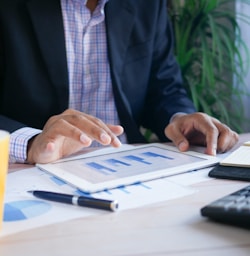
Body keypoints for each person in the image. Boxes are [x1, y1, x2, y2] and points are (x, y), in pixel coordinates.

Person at [0, 0, 238, 164]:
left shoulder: (147, 4)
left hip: (128, 165)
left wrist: (180, 118)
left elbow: (163, 87)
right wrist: (31, 144)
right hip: (32, 172)